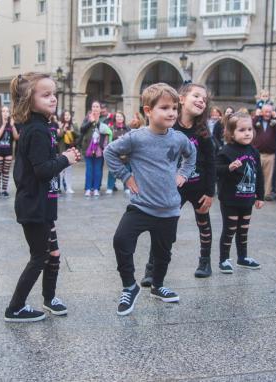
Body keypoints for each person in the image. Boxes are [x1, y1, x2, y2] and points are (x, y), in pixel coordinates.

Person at [104, 83, 196, 316]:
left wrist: (183, 174)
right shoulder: (136, 138)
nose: (172, 113)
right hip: (141, 207)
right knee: (121, 241)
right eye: (164, 107)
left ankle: (158, 285)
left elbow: (191, 155)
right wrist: (126, 176)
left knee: (162, 252)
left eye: (174, 108)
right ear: (148, 110)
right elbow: (110, 152)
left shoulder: (179, 139)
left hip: (169, 209)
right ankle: (129, 286)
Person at [4, 72, 81, 322]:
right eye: (46, 95)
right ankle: (15, 307)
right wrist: (65, 159)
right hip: (34, 206)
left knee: (54, 254)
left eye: (54, 94)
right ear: (29, 99)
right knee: (39, 257)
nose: (53, 99)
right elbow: (41, 170)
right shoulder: (36, 129)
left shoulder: (44, 127)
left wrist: (61, 157)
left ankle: (49, 299)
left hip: (43, 204)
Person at [140, 83, 215, 282]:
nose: (201, 100)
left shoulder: (203, 132)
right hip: (174, 188)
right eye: (196, 96)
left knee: (203, 223)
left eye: (204, 99)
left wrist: (210, 192)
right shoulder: (169, 126)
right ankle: (151, 268)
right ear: (181, 99)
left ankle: (205, 261)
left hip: (199, 187)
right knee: (163, 227)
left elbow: (211, 163)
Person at [215, 112, 264, 273]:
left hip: (247, 198)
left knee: (243, 230)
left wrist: (260, 195)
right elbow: (215, 170)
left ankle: (242, 258)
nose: (247, 133)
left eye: (249, 129)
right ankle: (224, 259)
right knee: (230, 230)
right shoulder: (226, 151)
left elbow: (259, 174)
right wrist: (228, 168)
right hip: (230, 199)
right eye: (242, 130)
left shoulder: (253, 151)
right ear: (231, 133)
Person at [81, 101, 111, 197]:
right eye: (93, 106)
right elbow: (82, 130)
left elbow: (108, 131)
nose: (95, 108)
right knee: (89, 169)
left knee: (98, 169)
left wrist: (97, 122)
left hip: (100, 148)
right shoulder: (87, 118)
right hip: (88, 148)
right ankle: (88, 188)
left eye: (97, 106)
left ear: (100, 109)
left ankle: (96, 188)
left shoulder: (104, 119)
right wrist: (90, 121)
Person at [253, 104, 276, 200]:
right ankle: (254, 193)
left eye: (269, 112)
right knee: (255, 174)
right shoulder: (257, 121)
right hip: (257, 154)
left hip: (270, 154)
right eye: (266, 111)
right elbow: (251, 126)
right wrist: (256, 116)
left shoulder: (274, 122)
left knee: (268, 176)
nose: (267, 114)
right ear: (262, 112)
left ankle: (266, 194)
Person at [0, 106, 19, 199]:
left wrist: (12, 126)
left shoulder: (11, 125)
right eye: (3, 111)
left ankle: (4, 190)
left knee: (6, 171)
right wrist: (3, 125)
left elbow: (16, 137)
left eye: (7, 111)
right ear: (0, 113)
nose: (5, 113)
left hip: (8, 151)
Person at [106, 111, 131, 194]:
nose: (119, 118)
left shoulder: (128, 128)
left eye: (121, 116)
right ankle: (110, 187)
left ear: (123, 118)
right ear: (115, 118)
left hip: (126, 154)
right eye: (117, 116)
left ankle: (127, 187)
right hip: (115, 154)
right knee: (112, 171)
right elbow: (109, 140)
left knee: (126, 171)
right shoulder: (111, 128)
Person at [58, 110, 79, 193]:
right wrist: (63, 129)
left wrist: (73, 131)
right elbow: (57, 137)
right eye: (65, 115)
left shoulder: (74, 125)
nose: (67, 116)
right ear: (63, 116)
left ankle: (68, 187)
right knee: (59, 171)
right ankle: (58, 187)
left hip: (70, 150)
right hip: (61, 150)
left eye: (68, 115)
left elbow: (78, 136)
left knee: (69, 170)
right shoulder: (60, 125)